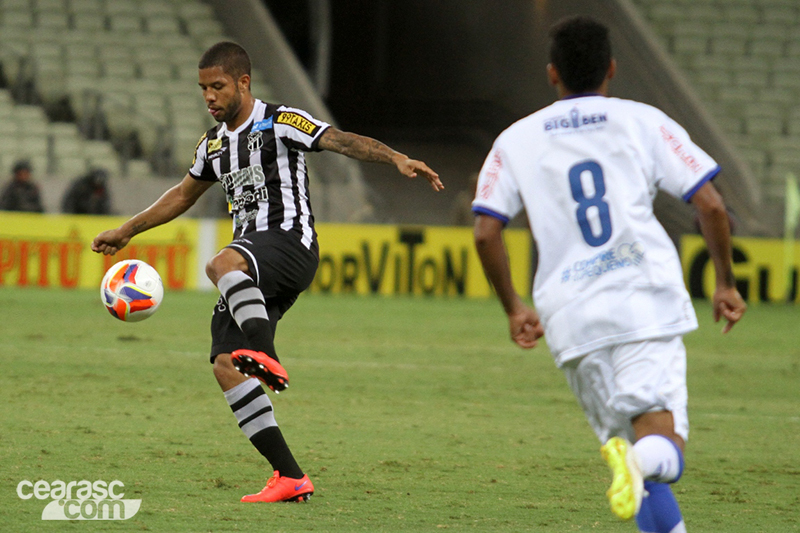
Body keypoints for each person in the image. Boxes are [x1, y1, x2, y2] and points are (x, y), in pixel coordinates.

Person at [92, 41, 442, 503]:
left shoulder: (281, 121)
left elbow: (338, 140)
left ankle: (264, 352)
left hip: (290, 243)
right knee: (224, 365)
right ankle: (290, 476)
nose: (209, 96)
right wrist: (126, 230)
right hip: (254, 267)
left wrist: (394, 156)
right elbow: (181, 195)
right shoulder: (212, 145)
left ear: (244, 82)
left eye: (218, 86)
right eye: (203, 89)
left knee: (220, 263)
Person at [472, 16, 746, 532]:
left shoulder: (516, 139)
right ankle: (640, 458)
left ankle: (635, 461)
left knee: (643, 476)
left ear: (553, 73)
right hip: (643, 300)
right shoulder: (643, 120)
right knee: (662, 450)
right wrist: (725, 282)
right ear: (612, 69)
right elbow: (710, 204)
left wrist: (513, 307)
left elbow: (486, 232)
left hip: (570, 317)